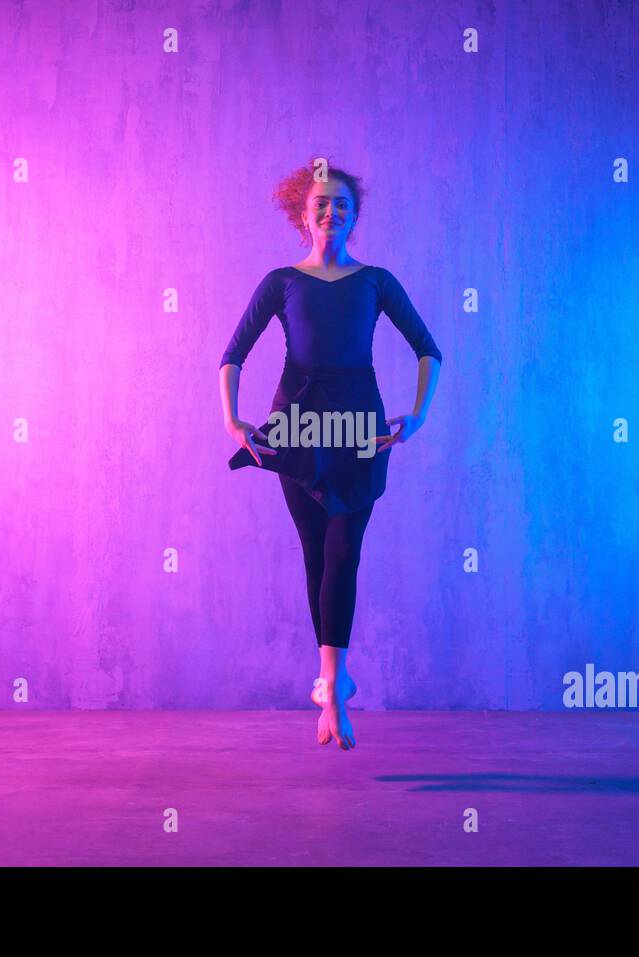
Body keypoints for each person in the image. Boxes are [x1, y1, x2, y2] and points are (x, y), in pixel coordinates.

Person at [217, 162, 442, 751]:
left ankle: (335, 679)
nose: (330, 213)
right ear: (304, 214)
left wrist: (415, 416)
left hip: (359, 426)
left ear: (354, 215)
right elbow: (232, 354)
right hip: (298, 425)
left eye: (341, 204)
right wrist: (232, 417)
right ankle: (330, 678)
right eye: (320, 204)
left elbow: (428, 350)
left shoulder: (376, 282)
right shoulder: (281, 281)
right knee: (315, 553)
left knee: (346, 551)